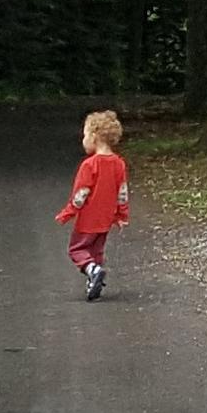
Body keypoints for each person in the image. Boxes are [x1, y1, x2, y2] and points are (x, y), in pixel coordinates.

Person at [56, 108, 129, 300]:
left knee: (77, 249)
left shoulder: (89, 165)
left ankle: (93, 271)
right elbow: (122, 193)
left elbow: (81, 194)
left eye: (85, 135)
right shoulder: (119, 164)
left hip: (88, 220)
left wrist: (68, 212)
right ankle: (93, 280)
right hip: (106, 220)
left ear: (94, 137)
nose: (83, 140)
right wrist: (121, 215)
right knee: (96, 251)